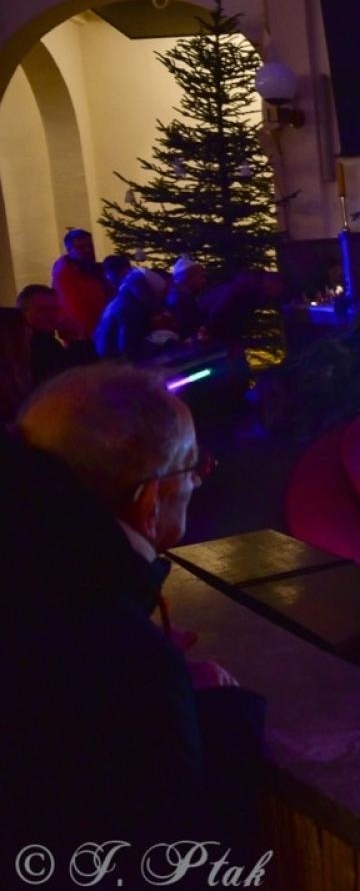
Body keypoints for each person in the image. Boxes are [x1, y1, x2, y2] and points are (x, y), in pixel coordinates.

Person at [1, 364, 264, 852]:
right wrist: (217, 709)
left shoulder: (30, 574)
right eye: (193, 469)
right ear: (149, 502)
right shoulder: (123, 661)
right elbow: (181, 861)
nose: (197, 483)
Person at [18, 284, 96, 386]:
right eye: (43, 310)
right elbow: (74, 376)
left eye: (55, 310)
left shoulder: (44, 339)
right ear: (23, 313)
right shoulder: (38, 343)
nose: (51, 315)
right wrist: (75, 340)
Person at [94, 266, 172, 360]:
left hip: (108, 355)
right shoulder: (131, 308)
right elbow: (127, 346)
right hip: (117, 360)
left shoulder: (119, 302)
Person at [51, 227, 112, 340]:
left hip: (99, 329)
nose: (87, 250)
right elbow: (72, 305)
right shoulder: (65, 273)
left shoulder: (92, 269)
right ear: (69, 249)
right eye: (81, 247)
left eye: (90, 246)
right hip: (83, 334)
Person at [198, 269, 287, 346]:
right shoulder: (243, 289)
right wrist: (208, 329)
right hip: (211, 327)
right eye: (278, 288)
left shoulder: (252, 290)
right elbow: (221, 307)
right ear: (270, 283)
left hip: (222, 329)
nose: (278, 292)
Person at [166, 255, 210, 342]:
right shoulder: (182, 298)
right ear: (187, 277)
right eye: (200, 277)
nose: (204, 281)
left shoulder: (176, 294)